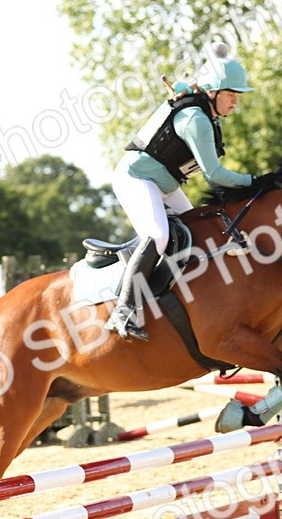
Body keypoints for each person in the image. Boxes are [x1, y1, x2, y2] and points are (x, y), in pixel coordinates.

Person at [105, 43, 255, 342]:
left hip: (164, 185)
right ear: (212, 92)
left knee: (202, 232)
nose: (236, 101)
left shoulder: (205, 115)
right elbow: (215, 176)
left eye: (238, 95)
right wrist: (255, 181)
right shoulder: (196, 119)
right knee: (159, 236)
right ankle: (123, 310)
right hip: (135, 178)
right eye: (231, 94)